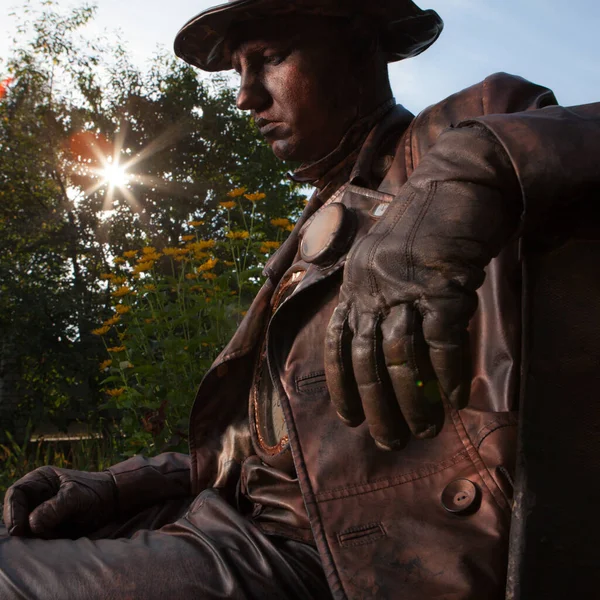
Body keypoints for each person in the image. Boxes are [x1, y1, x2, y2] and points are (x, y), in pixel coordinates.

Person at [1, 1, 599, 598]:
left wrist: (472, 170)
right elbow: (275, 456)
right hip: (246, 531)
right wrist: (120, 484)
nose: (245, 96)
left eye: (271, 58)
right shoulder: (315, 229)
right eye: (238, 70)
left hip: (338, 559)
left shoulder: (462, 129)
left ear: (362, 44)